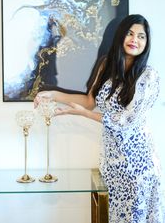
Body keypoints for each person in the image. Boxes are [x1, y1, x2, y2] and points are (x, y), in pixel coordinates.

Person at [34, 14, 165, 223]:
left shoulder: (149, 76)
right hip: (111, 165)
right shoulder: (107, 65)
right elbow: (89, 101)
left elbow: (126, 121)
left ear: (146, 43)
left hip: (138, 166)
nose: (135, 40)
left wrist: (82, 114)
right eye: (130, 34)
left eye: (141, 36)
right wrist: (52, 94)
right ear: (121, 36)